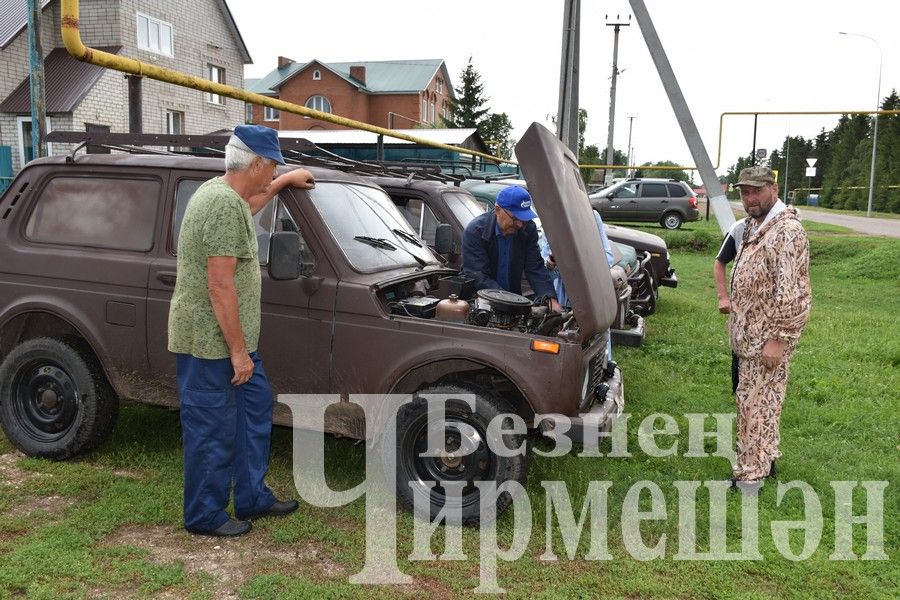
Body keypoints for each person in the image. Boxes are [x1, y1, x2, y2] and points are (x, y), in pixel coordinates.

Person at [168, 124, 316, 537]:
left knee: (253, 410)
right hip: (210, 345)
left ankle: (251, 495)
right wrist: (237, 353)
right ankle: (204, 515)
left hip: (235, 343)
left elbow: (253, 202)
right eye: (272, 167)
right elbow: (219, 285)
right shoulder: (220, 205)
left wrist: (285, 181)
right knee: (211, 427)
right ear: (255, 163)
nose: (271, 174)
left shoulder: (228, 196)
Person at [728, 166, 811, 491]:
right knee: (754, 405)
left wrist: (779, 340)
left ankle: (750, 478)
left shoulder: (786, 231)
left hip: (766, 341)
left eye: (756, 191)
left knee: (757, 408)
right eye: (744, 192)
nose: (749, 198)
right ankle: (764, 462)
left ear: (773, 189)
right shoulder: (755, 226)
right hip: (749, 339)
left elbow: (793, 294)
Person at [461, 186, 561, 313]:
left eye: (524, 219)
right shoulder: (476, 232)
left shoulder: (528, 229)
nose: (520, 224)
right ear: (498, 210)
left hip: (513, 302)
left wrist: (550, 298)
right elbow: (479, 276)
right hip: (482, 304)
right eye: (515, 219)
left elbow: (535, 268)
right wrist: (510, 301)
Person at [714, 217, 746, 395]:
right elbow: (720, 262)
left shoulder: (781, 228)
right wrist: (723, 297)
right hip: (741, 304)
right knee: (739, 345)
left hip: (769, 307)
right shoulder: (739, 228)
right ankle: (738, 390)